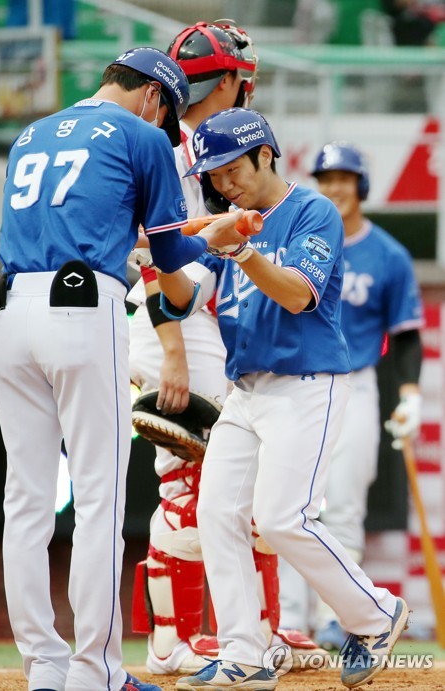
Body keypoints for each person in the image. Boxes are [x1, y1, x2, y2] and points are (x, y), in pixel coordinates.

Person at [0, 46, 248, 691]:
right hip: (81, 310)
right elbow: (169, 249)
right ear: (155, 97)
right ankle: (95, 671)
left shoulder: (31, 132)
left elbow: (78, 217)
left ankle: (42, 670)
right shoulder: (140, 133)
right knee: (99, 497)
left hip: (7, 314)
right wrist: (221, 230)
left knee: (27, 500)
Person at [155, 107, 410, 691]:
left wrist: (238, 250)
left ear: (264, 154)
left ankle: (375, 615)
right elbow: (185, 298)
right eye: (212, 176)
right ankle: (245, 653)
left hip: (306, 383)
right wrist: (154, 258)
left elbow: (298, 295)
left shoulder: (311, 210)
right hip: (245, 389)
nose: (222, 184)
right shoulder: (227, 220)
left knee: (280, 517)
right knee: (217, 513)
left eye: (230, 169)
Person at [128, 21, 324, 677]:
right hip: (172, 324)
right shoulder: (178, 149)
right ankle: (171, 640)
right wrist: (175, 352)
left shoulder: (186, 143)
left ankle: (255, 630)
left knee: (242, 490)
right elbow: (162, 261)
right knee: (194, 487)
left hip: (190, 321)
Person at [278, 141, 424, 650]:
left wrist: (409, 395)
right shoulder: (303, 237)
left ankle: (339, 619)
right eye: (327, 178)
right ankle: (290, 618)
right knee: (292, 506)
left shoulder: (387, 253)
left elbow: (405, 334)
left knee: (342, 506)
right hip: (298, 380)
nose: (336, 187)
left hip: (357, 383)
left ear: (361, 185)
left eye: (344, 178)